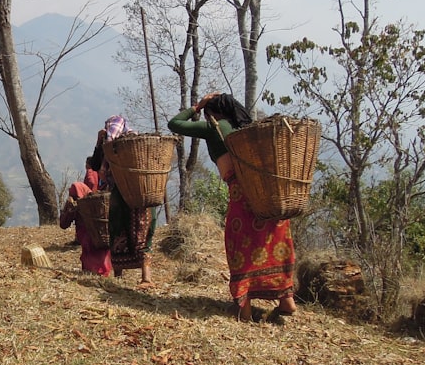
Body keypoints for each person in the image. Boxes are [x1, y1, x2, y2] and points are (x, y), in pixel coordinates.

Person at [167, 92, 298, 322]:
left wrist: (198, 106)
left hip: (243, 195)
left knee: (240, 245)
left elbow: (174, 124)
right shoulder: (249, 128)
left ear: (214, 113)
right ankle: (286, 300)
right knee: (273, 243)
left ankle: (244, 308)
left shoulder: (215, 128)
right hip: (270, 195)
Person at [89, 115, 157, 289]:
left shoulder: (134, 143)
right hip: (121, 194)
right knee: (119, 232)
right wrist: (99, 143)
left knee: (142, 233)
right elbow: (96, 165)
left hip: (139, 193)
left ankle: (146, 277)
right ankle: (120, 275)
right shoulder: (108, 148)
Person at [59, 181, 112, 276]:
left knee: (93, 252)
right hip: (97, 237)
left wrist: (68, 208)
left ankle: (95, 270)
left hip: (89, 238)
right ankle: (101, 270)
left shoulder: (84, 205)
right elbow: (63, 224)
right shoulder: (98, 202)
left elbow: (63, 224)